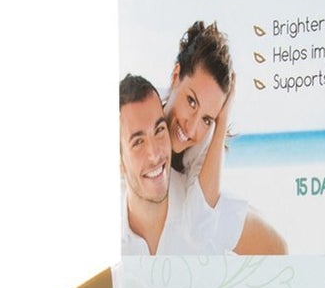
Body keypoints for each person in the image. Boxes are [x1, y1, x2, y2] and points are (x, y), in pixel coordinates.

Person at [163, 21, 287, 255]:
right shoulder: (144, 110)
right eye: (191, 102)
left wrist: (222, 120)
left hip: (203, 196)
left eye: (206, 118)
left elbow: (201, 219)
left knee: (277, 246)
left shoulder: (207, 138)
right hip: (186, 202)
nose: (192, 128)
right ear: (175, 76)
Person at [120, 74, 247, 256]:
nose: (154, 155)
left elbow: (277, 246)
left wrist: (222, 120)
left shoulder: (206, 206)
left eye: (159, 130)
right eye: (138, 142)